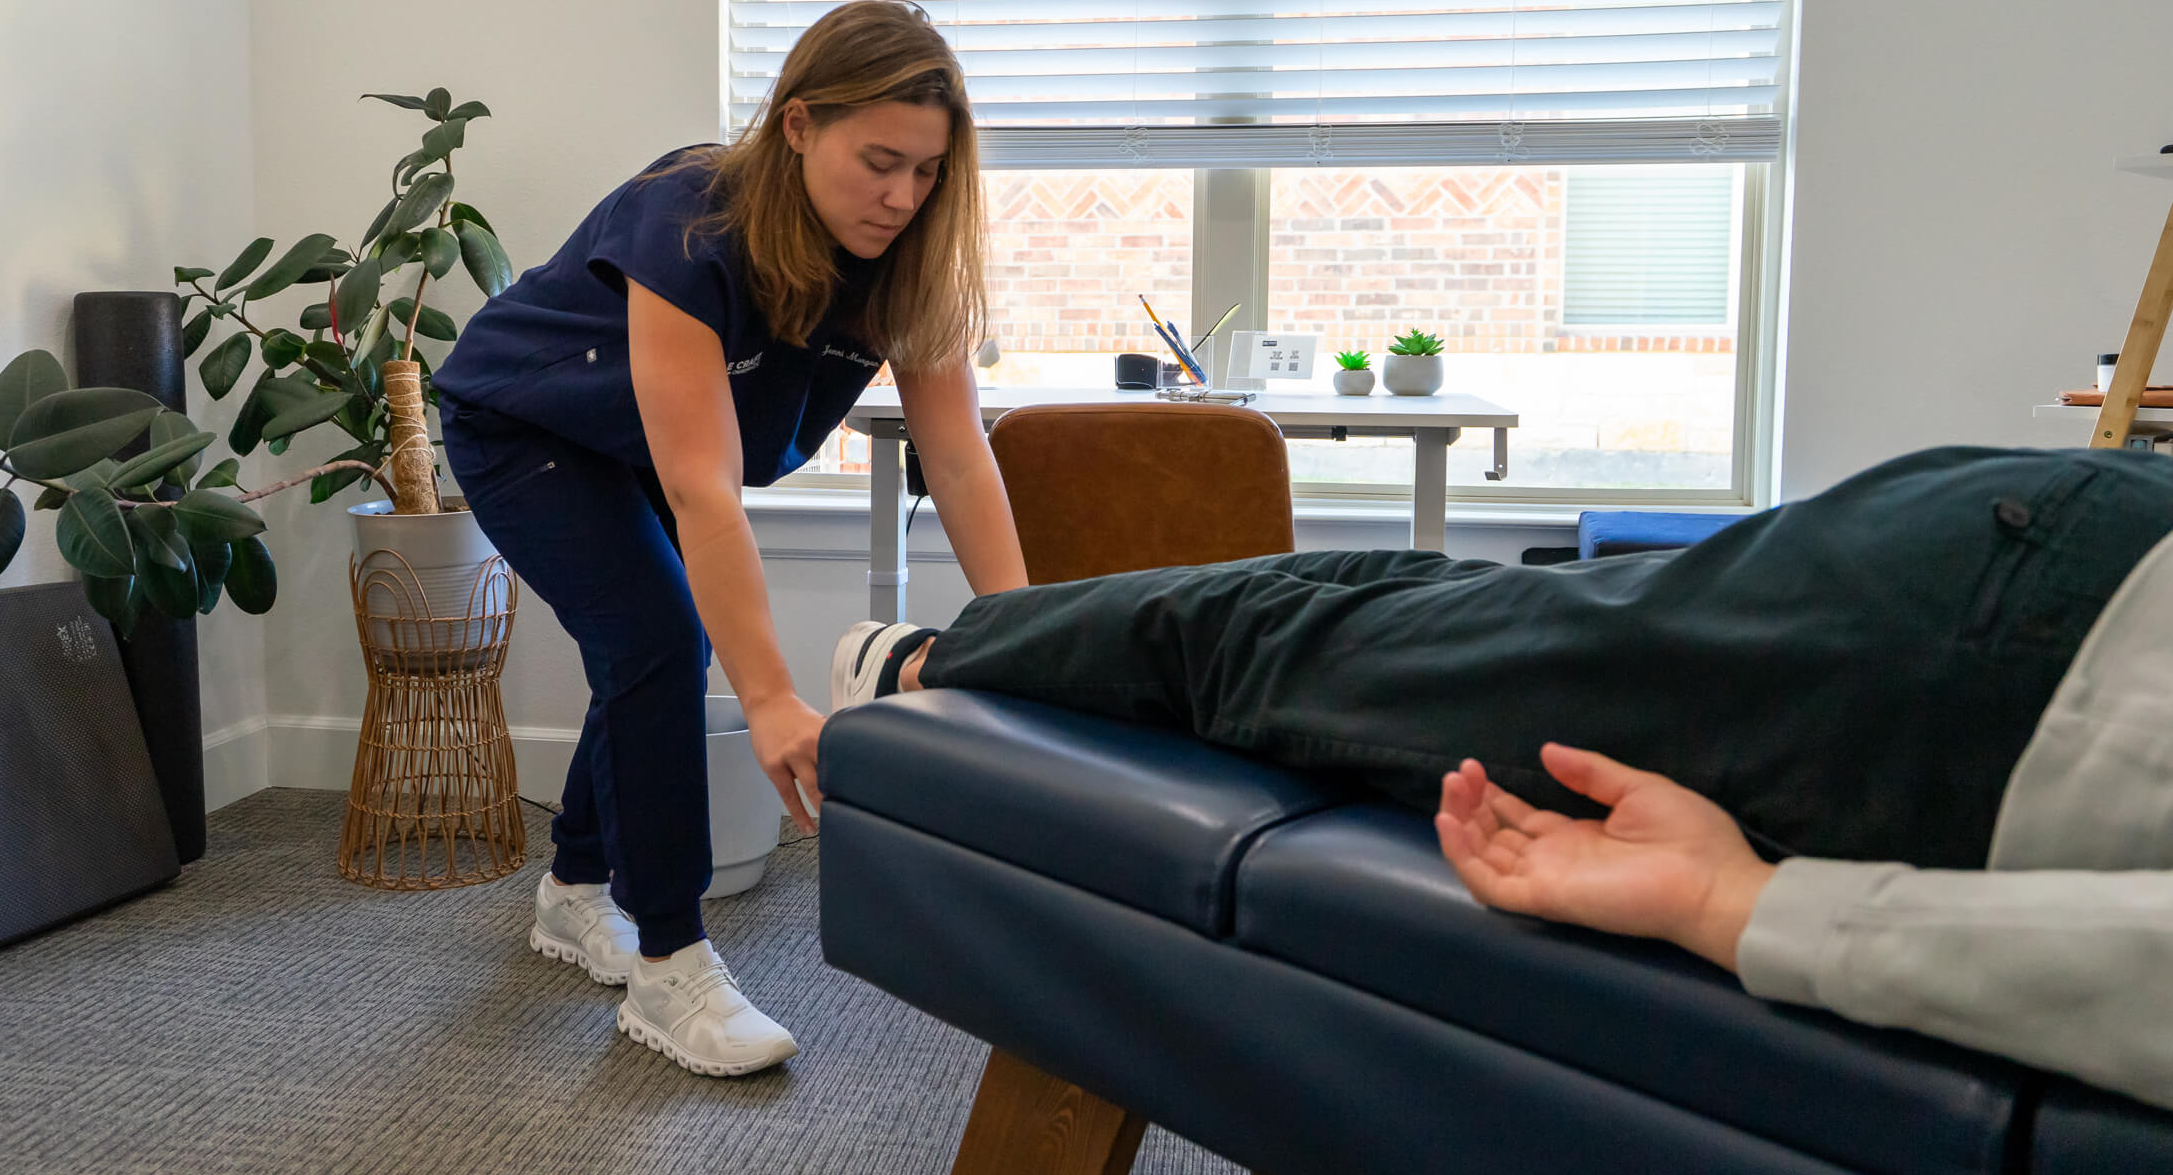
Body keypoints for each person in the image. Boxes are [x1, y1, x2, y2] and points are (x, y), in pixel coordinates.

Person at [830, 444, 2173, 1109]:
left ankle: (950, 652)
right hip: (2018, 659)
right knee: (1293, 644)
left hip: (2056, 589)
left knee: (1394, 606)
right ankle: (943, 661)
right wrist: (1739, 903)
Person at [435, 1, 1028, 1077]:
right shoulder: (690, 221)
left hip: (632, 438)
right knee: (662, 636)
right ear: (798, 124)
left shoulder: (906, 256)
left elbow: (958, 458)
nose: (902, 196)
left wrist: (1029, 633)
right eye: (879, 162)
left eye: (927, 171)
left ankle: (575, 889)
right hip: (524, 421)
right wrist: (769, 697)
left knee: (649, 647)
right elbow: (706, 492)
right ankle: (669, 966)